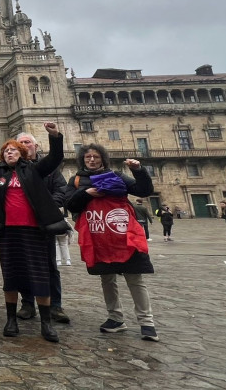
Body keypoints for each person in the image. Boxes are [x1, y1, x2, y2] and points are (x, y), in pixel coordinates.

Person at [0, 122, 68, 343]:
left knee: (40, 275)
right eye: (6, 150)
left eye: (14, 150)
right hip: (8, 232)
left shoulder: (35, 170)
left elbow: (55, 158)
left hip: (35, 231)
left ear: (23, 154)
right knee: (11, 275)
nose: (9, 152)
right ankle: (11, 319)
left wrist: (55, 136)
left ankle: (46, 323)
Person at [64, 143, 159, 342]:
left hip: (122, 233)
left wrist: (138, 170)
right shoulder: (77, 180)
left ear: (103, 159)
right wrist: (86, 193)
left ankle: (147, 322)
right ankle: (115, 318)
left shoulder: (117, 176)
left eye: (96, 157)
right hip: (98, 235)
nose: (91, 160)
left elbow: (143, 190)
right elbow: (70, 203)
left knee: (134, 278)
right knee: (107, 279)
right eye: (88, 157)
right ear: (82, 160)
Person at [10, 132, 70, 324]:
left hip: (43, 224)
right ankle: (27, 304)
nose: (25, 145)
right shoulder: (12, 169)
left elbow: (62, 190)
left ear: (36, 146)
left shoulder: (50, 169)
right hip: (20, 225)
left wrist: (46, 206)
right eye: (21, 143)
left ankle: (55, 306)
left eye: (28, 142)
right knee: (23, 266)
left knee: (50, 266)